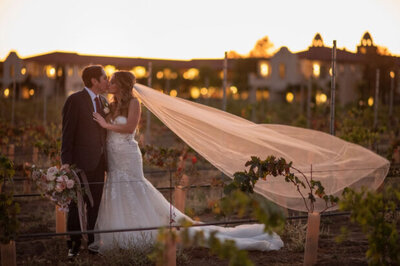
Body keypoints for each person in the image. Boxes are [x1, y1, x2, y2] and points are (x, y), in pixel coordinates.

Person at [91, 70, 283, 253]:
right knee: (118, 190)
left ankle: (142, 233)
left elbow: (130, 127)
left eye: (113, 81)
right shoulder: (111, 104)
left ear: (122, 85)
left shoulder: (134, 103)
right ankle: (122, 234)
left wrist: (105, 124)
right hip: (114, 156)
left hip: (128, 155)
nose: (110, 83)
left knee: (134, 189)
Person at [61, 65, 109, 258]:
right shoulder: (75, 100)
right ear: (94, 81)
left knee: (95, 203)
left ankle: (91, 243)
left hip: (100, 162)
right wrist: (66, 162)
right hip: (80, 163)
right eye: (104, 78)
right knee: (76, 203)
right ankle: (72, 245)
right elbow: (67, 133)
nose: (107, 81)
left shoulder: (104, 101)